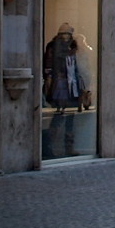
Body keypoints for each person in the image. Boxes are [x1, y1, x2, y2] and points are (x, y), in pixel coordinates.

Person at [42, 23, 92, 157]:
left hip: (72, 84)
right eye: (64, 34)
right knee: (58, 116)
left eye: (68, 34)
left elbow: (77, 66)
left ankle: (69, 148)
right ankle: (49, 148)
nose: (66, 37)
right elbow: (48, 66)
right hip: (60, 84)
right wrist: (48, 81)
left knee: (71, 118)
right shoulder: (53, 47)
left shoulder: (73, 47)